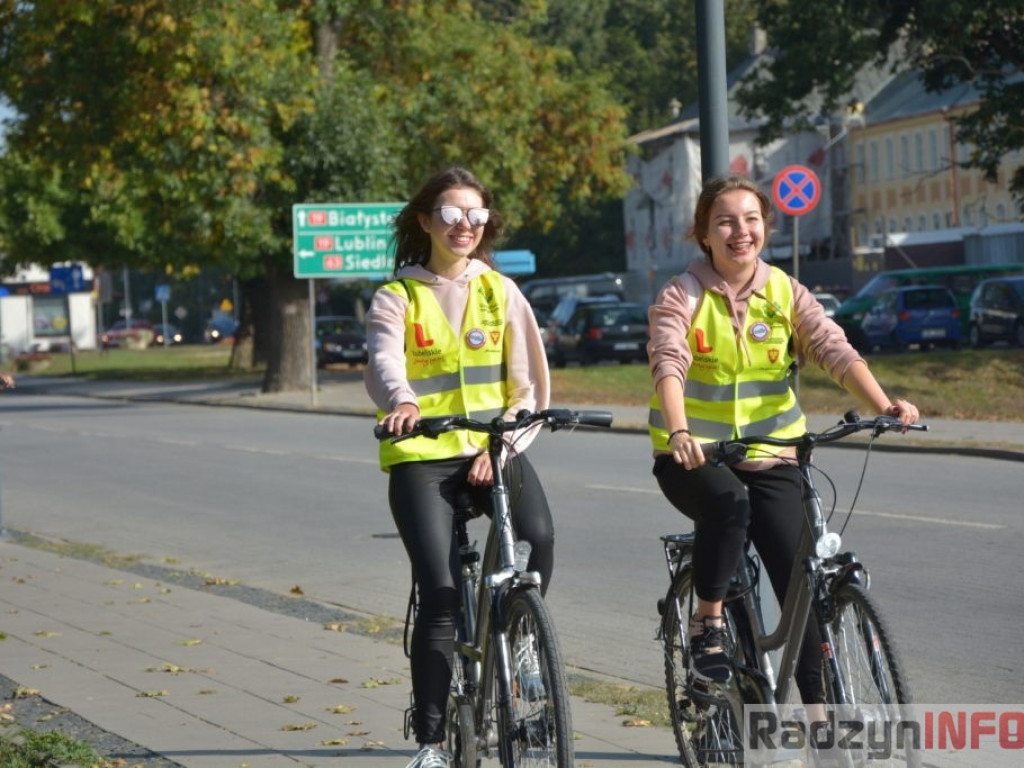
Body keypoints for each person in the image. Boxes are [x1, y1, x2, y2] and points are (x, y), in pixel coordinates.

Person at [647, 176, 919, 710]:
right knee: (729, 504)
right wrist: (679, 431)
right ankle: (707, 622)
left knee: (802, 589)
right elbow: (668, 360)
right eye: (725, 222)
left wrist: (882, 403)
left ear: (766, 228)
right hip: (695, 456)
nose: (740, 231)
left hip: (773, 453)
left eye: (751, 219)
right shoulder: (682, 293)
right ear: (704, 233)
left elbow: (831, 347)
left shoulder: (784, 290)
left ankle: (820, 722)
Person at [364, 167, 552, 768]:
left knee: (539, 536)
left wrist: (501, 448)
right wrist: (404, 401)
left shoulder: (501, 290)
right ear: (426, 222)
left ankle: (522, 642)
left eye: (475, 215)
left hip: (493, 450)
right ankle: (431, 742)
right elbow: (384, 360)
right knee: (441, 594)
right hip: (423, 456)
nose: (464, 225)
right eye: (450, 214)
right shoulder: (398, 295)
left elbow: (526, 386)